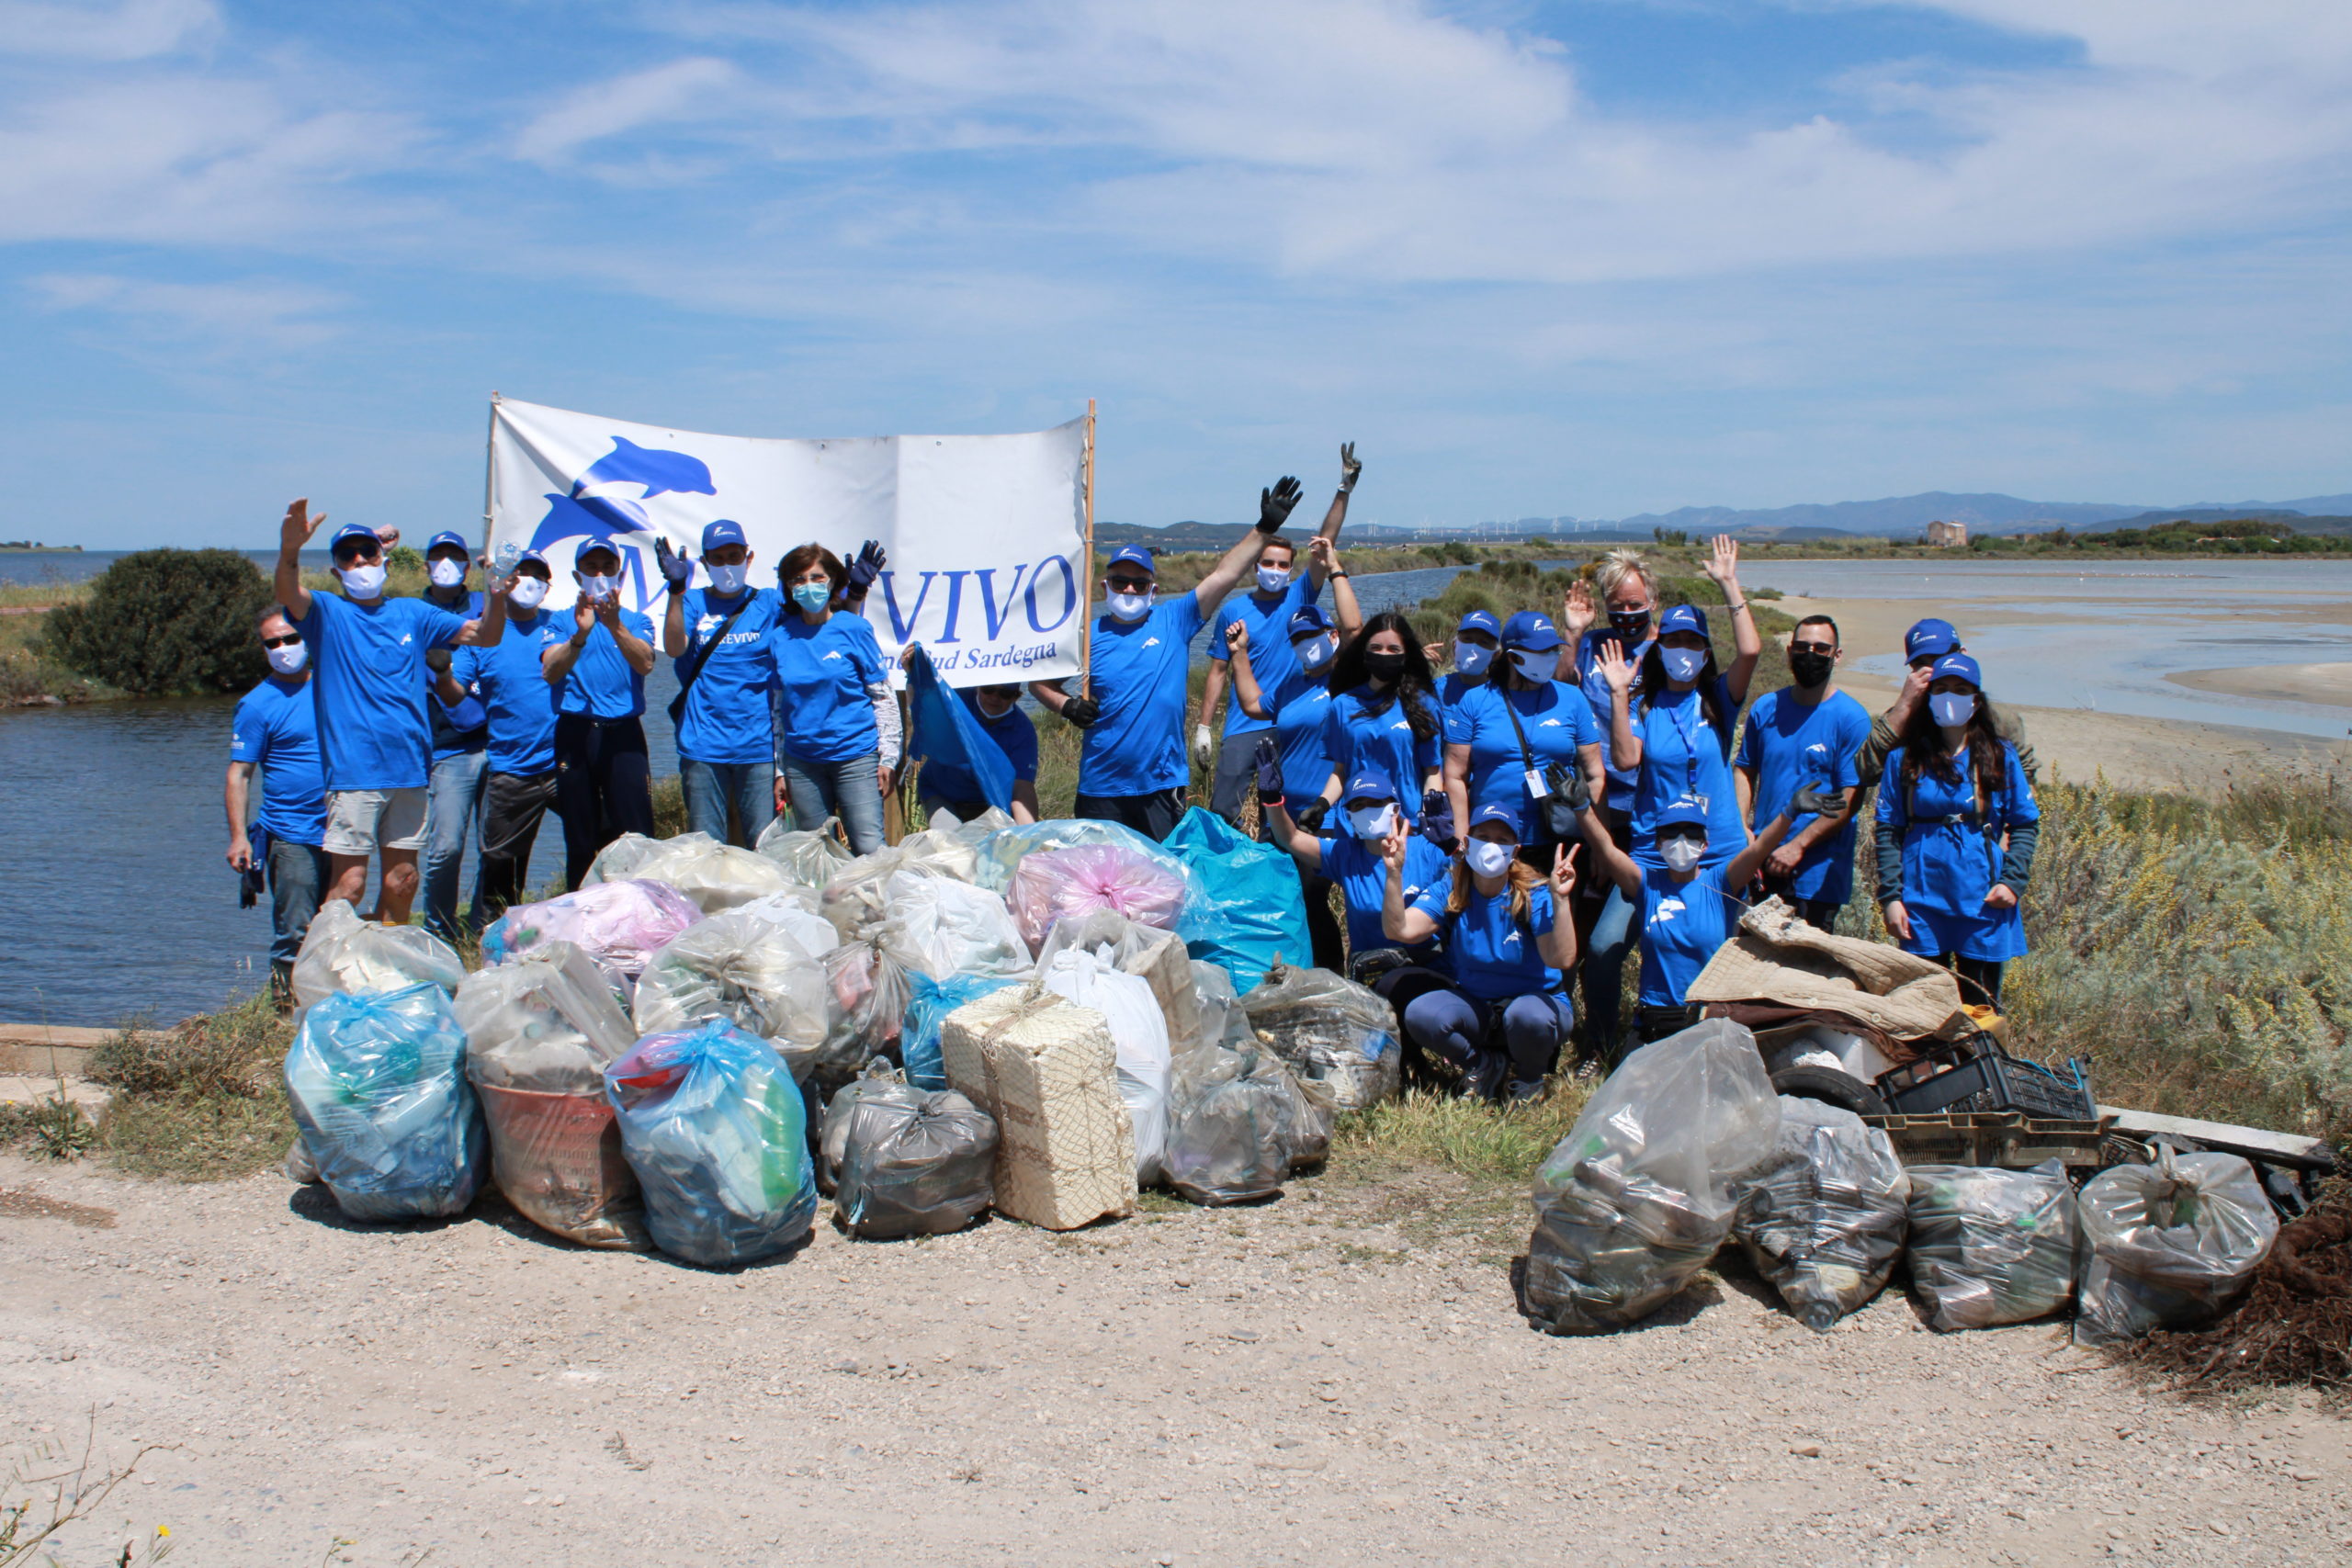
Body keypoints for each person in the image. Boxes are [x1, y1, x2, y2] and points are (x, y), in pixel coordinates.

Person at [1029, 477, 1310, 841]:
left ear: (1154, 590)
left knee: (1164, 885)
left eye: (1139, 583)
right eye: (1120, 582)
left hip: (1160, 787)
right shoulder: (1085, 637)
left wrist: (1264, 529)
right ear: (1104, 587)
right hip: (1101, 787)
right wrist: (1066, 706)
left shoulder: (1175, 620)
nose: (1129, 589)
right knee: (1104, 888)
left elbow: (1224, 575)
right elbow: (1037, 683)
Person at [273, 500, 511, 928]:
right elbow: (288, 592)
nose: (360, 560)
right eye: (348, 555)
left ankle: (386, 967)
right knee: (350, 885)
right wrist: (290, 550)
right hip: (354, 773)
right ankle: (333, 971)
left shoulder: (413, 613)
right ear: (335, 571)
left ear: (384, 559)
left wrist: (496, 592)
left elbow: (486, 635)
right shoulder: (328, 613)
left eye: (368, 552)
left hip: (410, 770)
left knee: (403, 881)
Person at [1578, 789, 1821, 1047]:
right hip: (1654, 1022)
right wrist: (1581, 807)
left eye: (1691, 832)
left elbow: (1760, 848)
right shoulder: (1647, 886)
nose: (1681, 839)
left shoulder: (1720, 882)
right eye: (1671, 832)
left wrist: (1790, 812)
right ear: (1658, 843)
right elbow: (1605, 848)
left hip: (1707, 1020)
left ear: (1705, 844)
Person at [1198, 445, 1361, 821]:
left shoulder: (1300, 596)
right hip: (1245, 723)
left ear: (1291, 568)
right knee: (1226, 811)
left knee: (1286, 813)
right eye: (1268, 562)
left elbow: (1326, 541)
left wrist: (1343, 490)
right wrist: (1204, 727)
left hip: (1293, 723)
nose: (1275, 569)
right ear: (1256, 565)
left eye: (1283, 564)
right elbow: (1218, 671)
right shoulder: (1235, 610)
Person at [1379, 804, 1580, 1100]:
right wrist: (1394, 873)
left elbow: (1561, 959)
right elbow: (1400, 930)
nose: (1491, 846)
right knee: (1421, 1013)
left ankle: (1529, 1080)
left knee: (1527, 1016)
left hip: (1536, 1005)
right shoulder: (1452, 887)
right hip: (1478, 1006)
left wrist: (1561, 901)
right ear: (1468, 843)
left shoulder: (1534, 893)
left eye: (1502, 840)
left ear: (1515, 850)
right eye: (1483, 837)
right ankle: (1482, 1067)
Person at [1875, 653, 2041, 1006]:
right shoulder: (1902, 760)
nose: (1951, 697)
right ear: (1929, 696)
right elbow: (1889, 829)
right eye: (1943, 689)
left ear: (1976, 700)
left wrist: (2013, 882)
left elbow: (2025, 822)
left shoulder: (1999, 755)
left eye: (1961, 690)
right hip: (1920, 901)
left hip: (1981, 902)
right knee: (1922, 1007)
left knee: (1980, 1010)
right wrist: (1891, 897)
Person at [435, 550, 565, 928]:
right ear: (505, 582)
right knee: (502, 867)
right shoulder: (481, 634)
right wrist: (442, 674)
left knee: (597, 844)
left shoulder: (561, 625)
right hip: (511, 770)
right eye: (521, 572)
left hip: (564, 765)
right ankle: (494, 941)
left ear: (548, 587)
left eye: (538, 575)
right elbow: (457, 697)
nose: (529, 581)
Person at [1260, 752, 1451, 990]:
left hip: (1427, 967)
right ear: (1349, 817)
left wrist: (1451, 845)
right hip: (1370, 974)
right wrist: (1272, 799)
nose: (1367, 810)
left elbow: (1467, 878)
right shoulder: (1344, 854)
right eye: (1359, 805)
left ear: (1395, 809)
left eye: (1376, 803)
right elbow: (1290, 838)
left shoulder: (1426, 849)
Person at [1733, 615, 1871, 931]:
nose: (1810, 655)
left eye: (1821, 648)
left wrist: (1798, 846)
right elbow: (1744, 770)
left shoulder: (1851, 719)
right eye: (1802, 647)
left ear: (1837, 655)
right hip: (1762, 865)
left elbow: (1850, 799)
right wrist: (1743, 828)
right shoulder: (1766, 708)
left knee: (1806, 976)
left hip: (1817, 878)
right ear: (1789, 651)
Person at [1442, 611, 1607, 868]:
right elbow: (1455, 775)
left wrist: (1600, 845)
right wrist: (1463, 843)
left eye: (1553, 649)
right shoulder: (1475, 700)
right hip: (1492, 841)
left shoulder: (1572, 699)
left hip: (1559, 841)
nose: (1550, 657)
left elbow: (1595, 775)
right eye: (1540, 651)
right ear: (1513, 655)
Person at [541, 540, 660, 888]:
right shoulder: (561, 621)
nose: (599, 574)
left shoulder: (637, 620)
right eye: (590, 567)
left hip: (623, 734)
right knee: (580, 833)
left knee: (635, 832)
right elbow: (550, 671)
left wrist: (614, 625)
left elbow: (646, 663)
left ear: (619, 574)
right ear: (578, 575)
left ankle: (641, 906)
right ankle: (580, 909)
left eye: (607, 567)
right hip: (575, 734)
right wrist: (580, 634)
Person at [660, 520, 784, 847]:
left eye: (734, 556)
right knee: (705, 847)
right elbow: (674, 648)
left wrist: (853, 592)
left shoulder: (769, 602)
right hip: (703, 746)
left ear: (749, 557)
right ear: (704, 564)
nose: (728, 564)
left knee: (763, 845)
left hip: (757, 747)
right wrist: (676, 592)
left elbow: (818, 619)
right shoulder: (692, 602)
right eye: (718, 558)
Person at [770, 542, 899, 855]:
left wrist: (889, 758)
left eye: (817, 578)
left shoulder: (854, 628)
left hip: (854, 756)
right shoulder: (780, 637)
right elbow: (777, 709)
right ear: (788, 587)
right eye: (799, 580)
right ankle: (827, 905)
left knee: (869, 846)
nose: (809, 586)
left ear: (832, 582)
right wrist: (780, 770)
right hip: (804, 763)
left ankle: (876, 904)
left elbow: (883, 696)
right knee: (817, 851)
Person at [227, 608, 328, 1004]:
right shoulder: (256, 705)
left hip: (341, 830)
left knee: (336, 926)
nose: (283, 648)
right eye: (273, 643)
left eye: (290, 638)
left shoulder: (333, 686)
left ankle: (325, 1011)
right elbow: (239, 774)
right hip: (291, 835)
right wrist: (239, 838)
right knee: (295, 932)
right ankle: (284, 1013)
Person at [1855, 617, 2037, 789]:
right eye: (1921, 664)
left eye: (1939, 659)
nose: (1932, 672)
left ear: (1963, 655)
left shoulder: (2000, 719)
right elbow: (1865, 772)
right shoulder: (1904, 718)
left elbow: (2025, 778)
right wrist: (1904, 705)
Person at [416, 530, 489, 943]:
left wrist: (497, 578)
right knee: (445, 847)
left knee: (494, 847)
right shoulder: (412, 610)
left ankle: (483, 924)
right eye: (438, 557)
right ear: (426, 564)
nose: (447, 564)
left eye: (455, 557)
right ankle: (439, 932)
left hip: (497, 741)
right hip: (446, 747)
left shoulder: (484, 605)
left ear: (467, 562)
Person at [1319, 612, 1443, 814]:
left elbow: (1433, 773)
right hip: (1355, 825)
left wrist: (1429, 819)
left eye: (1393, 649)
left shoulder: (1424, 705)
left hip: (1406, 826)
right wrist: (1321, 805)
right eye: (1376, 648)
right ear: (1364, 653)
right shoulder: (1342, 705)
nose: (1384, 654)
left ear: (1405, 655)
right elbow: (1340, 772)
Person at [917, 683, 1042, 826]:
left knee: (1000, 843)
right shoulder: (955, 700)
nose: (994, 698)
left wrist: (1030, 835)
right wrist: (910, 670)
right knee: (951, 842)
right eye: (988, 690)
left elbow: (1022, 788)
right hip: (941, 792)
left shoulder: (1022, 729)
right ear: (977, 688)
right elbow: (921, 698)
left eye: (1005, 694)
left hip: (991, 800)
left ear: (1016, 697)